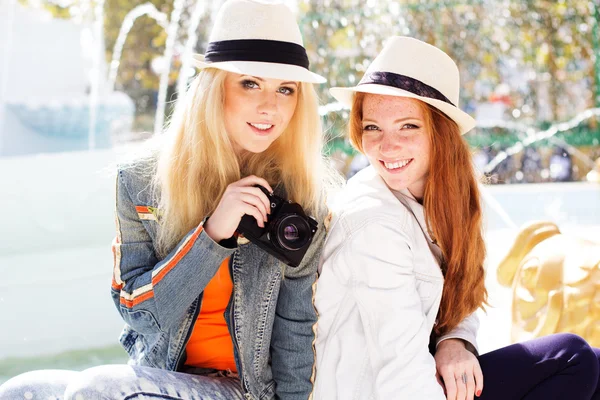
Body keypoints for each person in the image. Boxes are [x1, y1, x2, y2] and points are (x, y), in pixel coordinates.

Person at [0, 1, 335, 399]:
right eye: (250, 83)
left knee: (98, 388)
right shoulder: (142, 182)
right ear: (215, 88)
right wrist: (212, 235)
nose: (270, 106)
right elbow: (139, 313)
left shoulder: (299, 202)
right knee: (23, 390)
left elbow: (296, 331)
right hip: (157, 379)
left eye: (286, 89)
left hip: (241, 391)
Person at [313, 36, 600, 400]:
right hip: (384, 391)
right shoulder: (372, 221)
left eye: (407, 127)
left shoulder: (448, 198)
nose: (387, 146)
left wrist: (455, 340)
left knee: (593, 361)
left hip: (420, 378)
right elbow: (399, 378)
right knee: (572, 356)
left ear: (441, 133)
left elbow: (460, 298)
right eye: (373, 128)